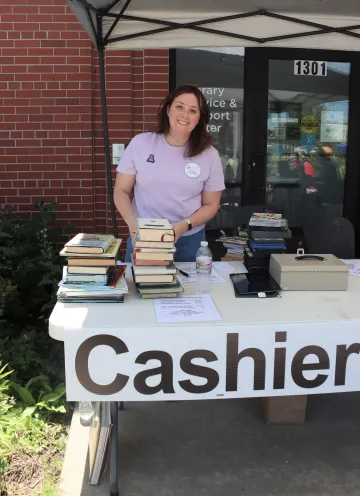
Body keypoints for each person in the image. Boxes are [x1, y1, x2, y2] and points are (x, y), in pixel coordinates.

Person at [114, 84, 225, 263]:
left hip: (189, 239)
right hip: (145, 236)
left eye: (193, 110)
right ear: (168, 110)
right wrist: (133, 225)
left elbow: (211, 204)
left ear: (199, 119)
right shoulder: (141, 144)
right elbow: (121, 190)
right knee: (140, 287)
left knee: (190, 290)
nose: (184, 115)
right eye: (179, 107)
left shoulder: (209, 155)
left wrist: (183, 226)